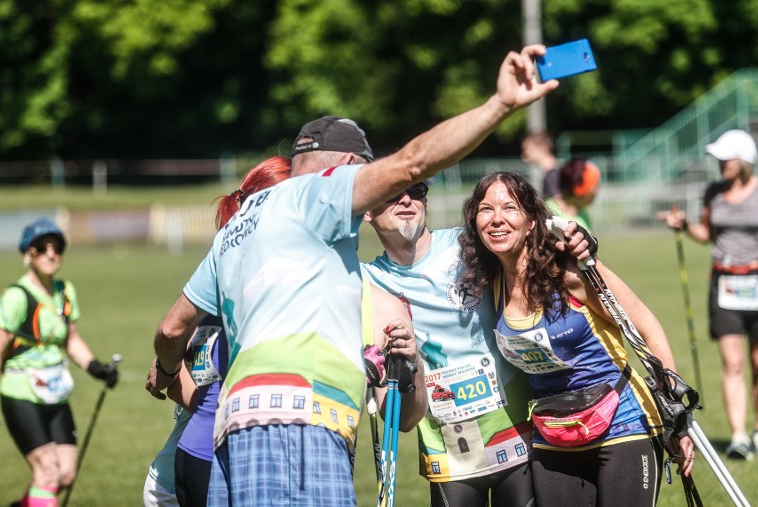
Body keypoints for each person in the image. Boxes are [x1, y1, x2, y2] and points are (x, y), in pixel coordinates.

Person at [145, 44, 560, 506]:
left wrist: (165, 372)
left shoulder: (237, 229)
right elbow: (413, 163)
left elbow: (170, 328)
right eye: (369, 177)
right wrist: (499, 105)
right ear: (346, 169)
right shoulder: (316, 195)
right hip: (305, 417)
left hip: (235, 425)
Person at [458, 172, 695, 506]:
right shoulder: (490, 284)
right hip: (552, 436)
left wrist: (674, 409)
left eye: (509, 208)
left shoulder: (569, 270)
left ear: (530, 222)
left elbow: (643, 323)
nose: (497, 218)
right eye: (486, 209)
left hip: (623, 424)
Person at [361, 179, 594, 507]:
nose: (406, 200)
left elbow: (529, 220)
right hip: (451, 454)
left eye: (416, 191)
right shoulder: (366, 280)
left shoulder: (469, 245)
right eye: (389, 193)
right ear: (366, 211)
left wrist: (574, 232)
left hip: (519, 434)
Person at [142, 157, 293, 507]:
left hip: (192, 463)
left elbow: (171, 346)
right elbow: (173, 350)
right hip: (202, 467)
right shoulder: (238, 276)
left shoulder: (240, 266)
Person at [0, 218, 118, 507]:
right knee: (48, 472)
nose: (51, 253)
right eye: (41, 247)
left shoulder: (65, 291)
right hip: (20, 392)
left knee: (66, 475)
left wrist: (95, 367)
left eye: (57, 247)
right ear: (28, 254)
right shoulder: (16, 296)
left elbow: (71, 340)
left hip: (55, 392)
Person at [658, 129, 758, 460]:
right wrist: (684, 225)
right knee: (733, 362)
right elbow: (706, 233)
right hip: (725, 283)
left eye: (725, 158)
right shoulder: (712, 192)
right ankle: (739, 436)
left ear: (743, 160)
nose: (719, 163)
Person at [546, 157, 601, 231]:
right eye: (596, 186)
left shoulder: (582, 213)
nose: (598, 191)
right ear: (582, 190)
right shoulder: (548, 212)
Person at [521, 131, 561, 197]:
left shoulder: (552, 175)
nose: (524, 154)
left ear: (542, 148)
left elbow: (561, 204)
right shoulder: (554, 172)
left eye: (528, 149)